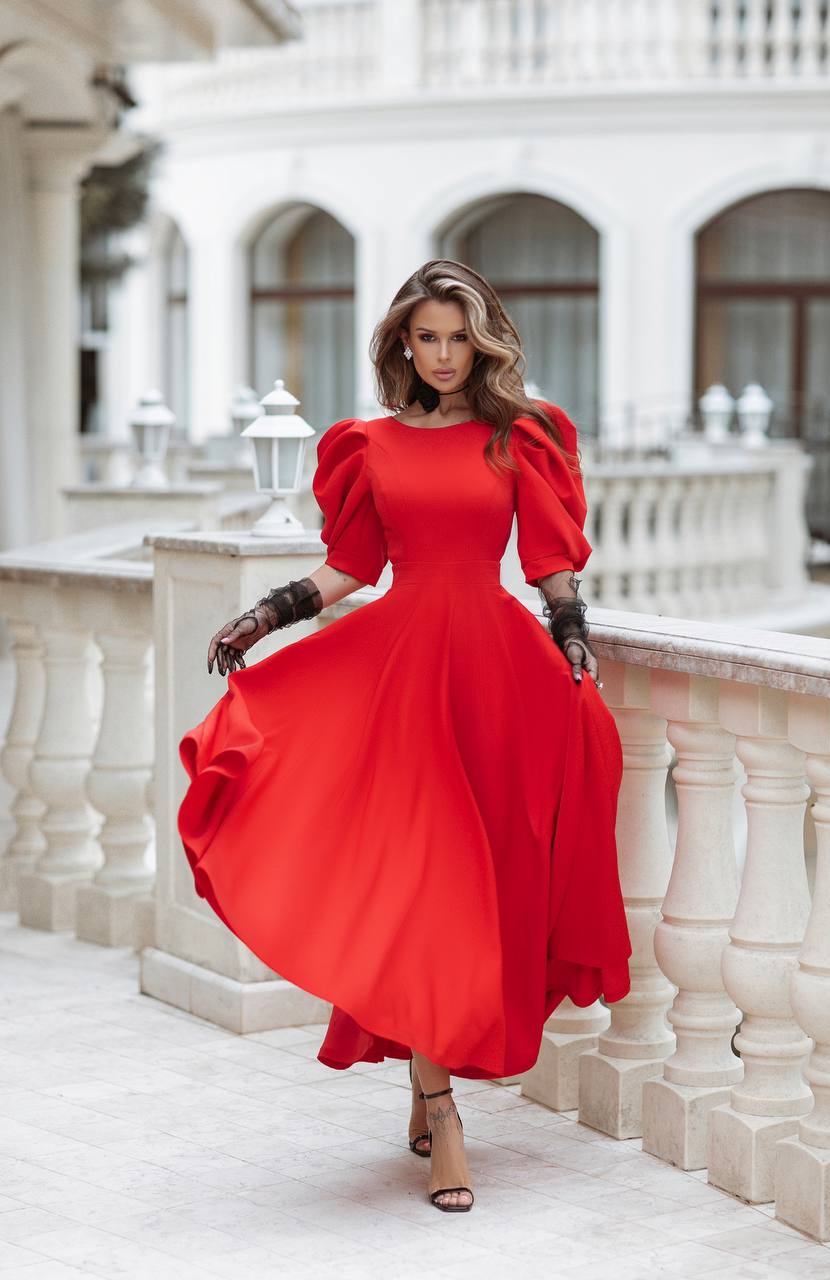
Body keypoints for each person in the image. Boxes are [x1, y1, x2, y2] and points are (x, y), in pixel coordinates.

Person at [177, 259, 631, 1215]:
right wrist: (264, 616)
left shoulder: (520, 438)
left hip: (497, 676)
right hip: (402, 679)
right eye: (425, 337)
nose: (441, 355)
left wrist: (575, 638)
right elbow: (351, 565)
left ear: (484, 343)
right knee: (427, 888)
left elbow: (548, 566)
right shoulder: (367, 445)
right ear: (399, 345)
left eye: (458, 338)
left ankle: (427, 1088)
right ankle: (443, 1113)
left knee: (488, 883)